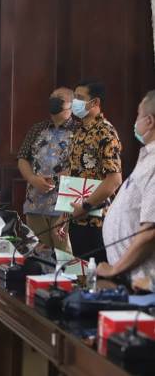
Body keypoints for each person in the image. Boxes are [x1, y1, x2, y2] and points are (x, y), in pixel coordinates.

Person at [96, 91, 155, 282]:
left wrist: (115, 269)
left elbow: (150, 232)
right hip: (131, 277)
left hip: (144, 282)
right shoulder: (148, 158)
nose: (135, 121)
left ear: (149, 121)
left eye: (138, 115)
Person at [63, 81, 122, 263]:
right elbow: (73, 173)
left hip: (97, 221)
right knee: (78, 273)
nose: (75, 102)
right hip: (76, 217)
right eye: (74, 97)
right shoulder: (78, 131)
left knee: (97, 275)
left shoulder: (105, 132)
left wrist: (86, 206)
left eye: (80, 98)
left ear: (95, 102)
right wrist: (64, 215)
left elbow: (114, 180)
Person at [17, 87, 77, 252]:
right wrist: (32, 178)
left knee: (65, 256)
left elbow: (82, 166)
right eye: (52, 97)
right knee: (38, 254)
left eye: (59, 98)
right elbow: (22, 158)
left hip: (65, 204)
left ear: (72, 105)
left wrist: (56, 179)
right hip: (35, 202)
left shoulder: (79, 130)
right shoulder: (37, 129)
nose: (54, 100)